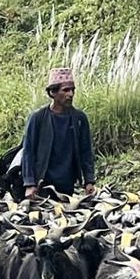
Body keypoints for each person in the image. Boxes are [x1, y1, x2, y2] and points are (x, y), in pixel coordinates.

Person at [19, 67, 95, 199]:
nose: (70, 94)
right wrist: (29, 183)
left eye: (72, 90)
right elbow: (28, 152)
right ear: (53, 92)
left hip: (67, 185)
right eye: (65, 90)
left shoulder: (79, 118)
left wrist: (89, 180)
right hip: (42, 184)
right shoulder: (38, 118)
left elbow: (86, 151)